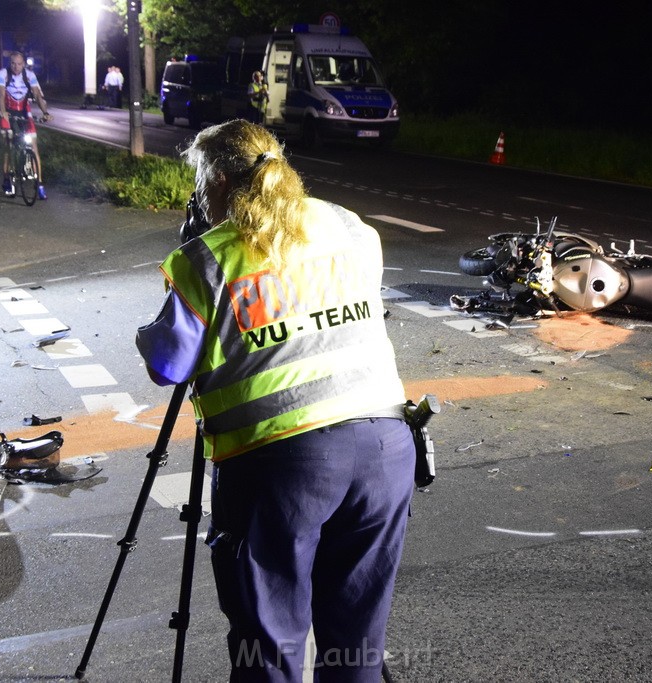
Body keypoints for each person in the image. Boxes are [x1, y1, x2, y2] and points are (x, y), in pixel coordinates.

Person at [136, 119, 415, 682]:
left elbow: (167, 365)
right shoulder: (348, 225)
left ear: (215, 179)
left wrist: (182, 266)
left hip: (284, 465)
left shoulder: (210, 257)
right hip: (387, 449)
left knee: (271, 642)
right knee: (356, 636)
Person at [0, 51, 51, 199]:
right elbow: (1, 95)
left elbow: (37, 96)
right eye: (13, 63)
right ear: (10, 63)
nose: (16, 66)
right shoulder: (3, 74)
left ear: (24, 64)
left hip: (24, 112)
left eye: (19, 64)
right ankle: (7, 178)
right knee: (9, 146)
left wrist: (45, 112)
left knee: (33, 147)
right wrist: (3, 112)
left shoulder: (30, 75)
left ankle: (39, 184)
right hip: (8, 111)